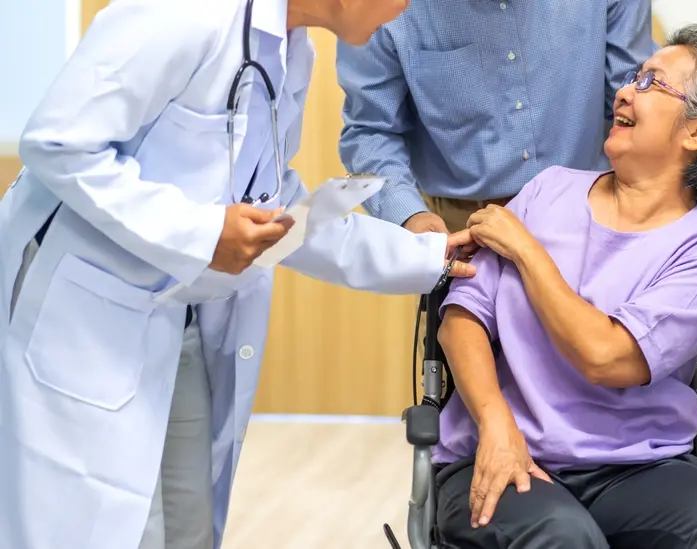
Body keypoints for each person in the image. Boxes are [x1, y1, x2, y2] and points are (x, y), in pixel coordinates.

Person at [0, 1, 476, 548]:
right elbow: (58, 144)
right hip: (84, 317)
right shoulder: (187, 13)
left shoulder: (290, 54)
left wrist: (423, 258)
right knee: (99, 528)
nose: (407, 9)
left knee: (187, 527)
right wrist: (201, 233)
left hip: (176, 312)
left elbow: (275, 210)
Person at [431, 25, 697, 548]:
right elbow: (462, 319)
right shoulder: (547, 191)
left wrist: (526, 251)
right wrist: (497, 426)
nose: (625, 90)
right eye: (634, 77)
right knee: (563, 535)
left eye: (652, 84)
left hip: (635, 470)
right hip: (503, 449)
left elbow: (606, 358)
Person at [336, 0, 659, 234]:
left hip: (595, 212)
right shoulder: (378, 6)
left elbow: (636, 101)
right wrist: (408, 215)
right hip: (464, 228)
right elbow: (370, 129)